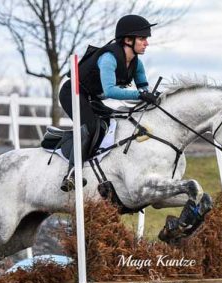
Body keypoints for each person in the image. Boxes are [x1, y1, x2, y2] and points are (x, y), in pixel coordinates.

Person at [59, 14, 159, 192]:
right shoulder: (109, 58)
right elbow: (110, 91)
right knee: (90, 126)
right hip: (72, 93)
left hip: (92, 97)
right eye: (142, 38)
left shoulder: (137, 64)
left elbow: (144, 90)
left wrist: (153, 96)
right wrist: (141, 95)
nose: (146, 43)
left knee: (114, 123)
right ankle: (71, 174)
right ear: (128, 40)